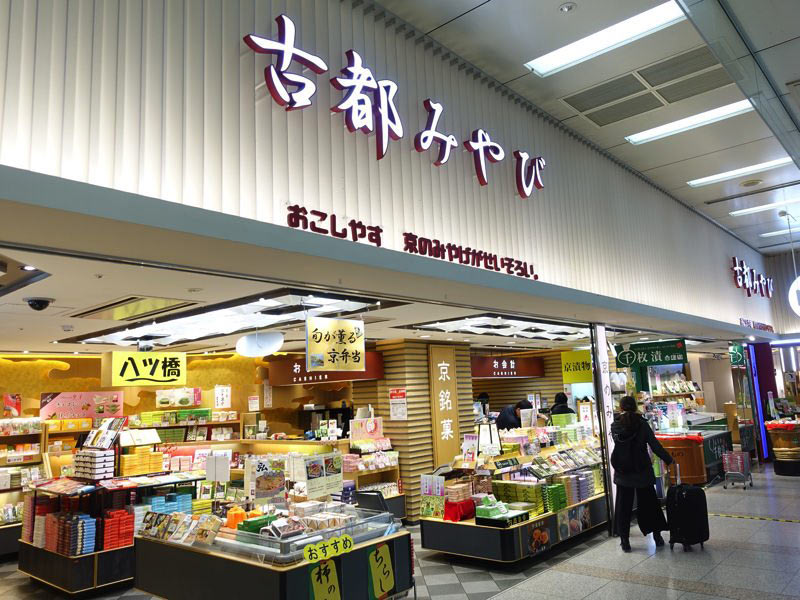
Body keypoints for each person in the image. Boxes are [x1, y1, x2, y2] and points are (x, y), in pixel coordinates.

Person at [611, 395, 673, 552]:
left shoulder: (615, 426)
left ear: (621, 408)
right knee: (650, 504)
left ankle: (625, 540)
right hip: (642, 470)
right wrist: (669, 460)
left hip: (623, 471)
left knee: (623, 506)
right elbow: (655, 445)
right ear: (635, 407)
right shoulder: (642, 425)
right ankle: (657, 536)